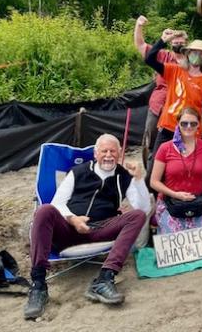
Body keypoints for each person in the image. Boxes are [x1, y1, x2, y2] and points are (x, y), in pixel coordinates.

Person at [24, 134, 150, 320]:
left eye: (112, 151)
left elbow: (143, 208)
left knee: (137, 216)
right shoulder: (78, 171)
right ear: (95, 153)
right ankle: (38, 285)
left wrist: (138, 179)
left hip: (101, 229)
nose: (108, 155)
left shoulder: (124, 177)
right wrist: (73, 219)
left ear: (120, 153)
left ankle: (105, 278)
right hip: (68, 230)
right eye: (104, 151)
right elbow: (58, 203)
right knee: (44, 210)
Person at [144, 31, 202, 187]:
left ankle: (178, 205)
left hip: (190, 132)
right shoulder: (174, 70)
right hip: (168, 127)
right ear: (188, 54)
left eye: (200, 53)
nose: (196, 55)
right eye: (194, 52)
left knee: (182, 171)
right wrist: (162, 40)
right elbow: (149, 59)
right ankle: (157, 202)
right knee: (154, 172)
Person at [133, 15, 187, 164]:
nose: (178, 44)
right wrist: (139, 25)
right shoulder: (163, 56)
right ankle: (150, 174)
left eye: (181, 42)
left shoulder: (191, 62)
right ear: (171, 44)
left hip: (181, 109)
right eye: (175, 42)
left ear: (186, 44)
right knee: (152, 139)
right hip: (159, 105)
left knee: (180, 143)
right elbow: (141, 46)